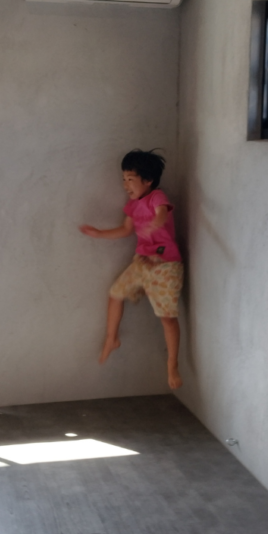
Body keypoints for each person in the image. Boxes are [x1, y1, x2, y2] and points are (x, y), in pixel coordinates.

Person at [80, 148, 183, 390]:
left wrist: (154, 225)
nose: (125, 184)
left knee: (167, 318)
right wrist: (99, 234)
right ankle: (112, 338)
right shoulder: (133, 206)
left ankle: (172, 364)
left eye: (130, 179)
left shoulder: (156, 196)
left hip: (166, 266)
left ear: (148, 180)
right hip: (142, 262)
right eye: (123, 179)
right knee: (115, 294)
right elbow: (125, 230)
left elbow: (161, 213)